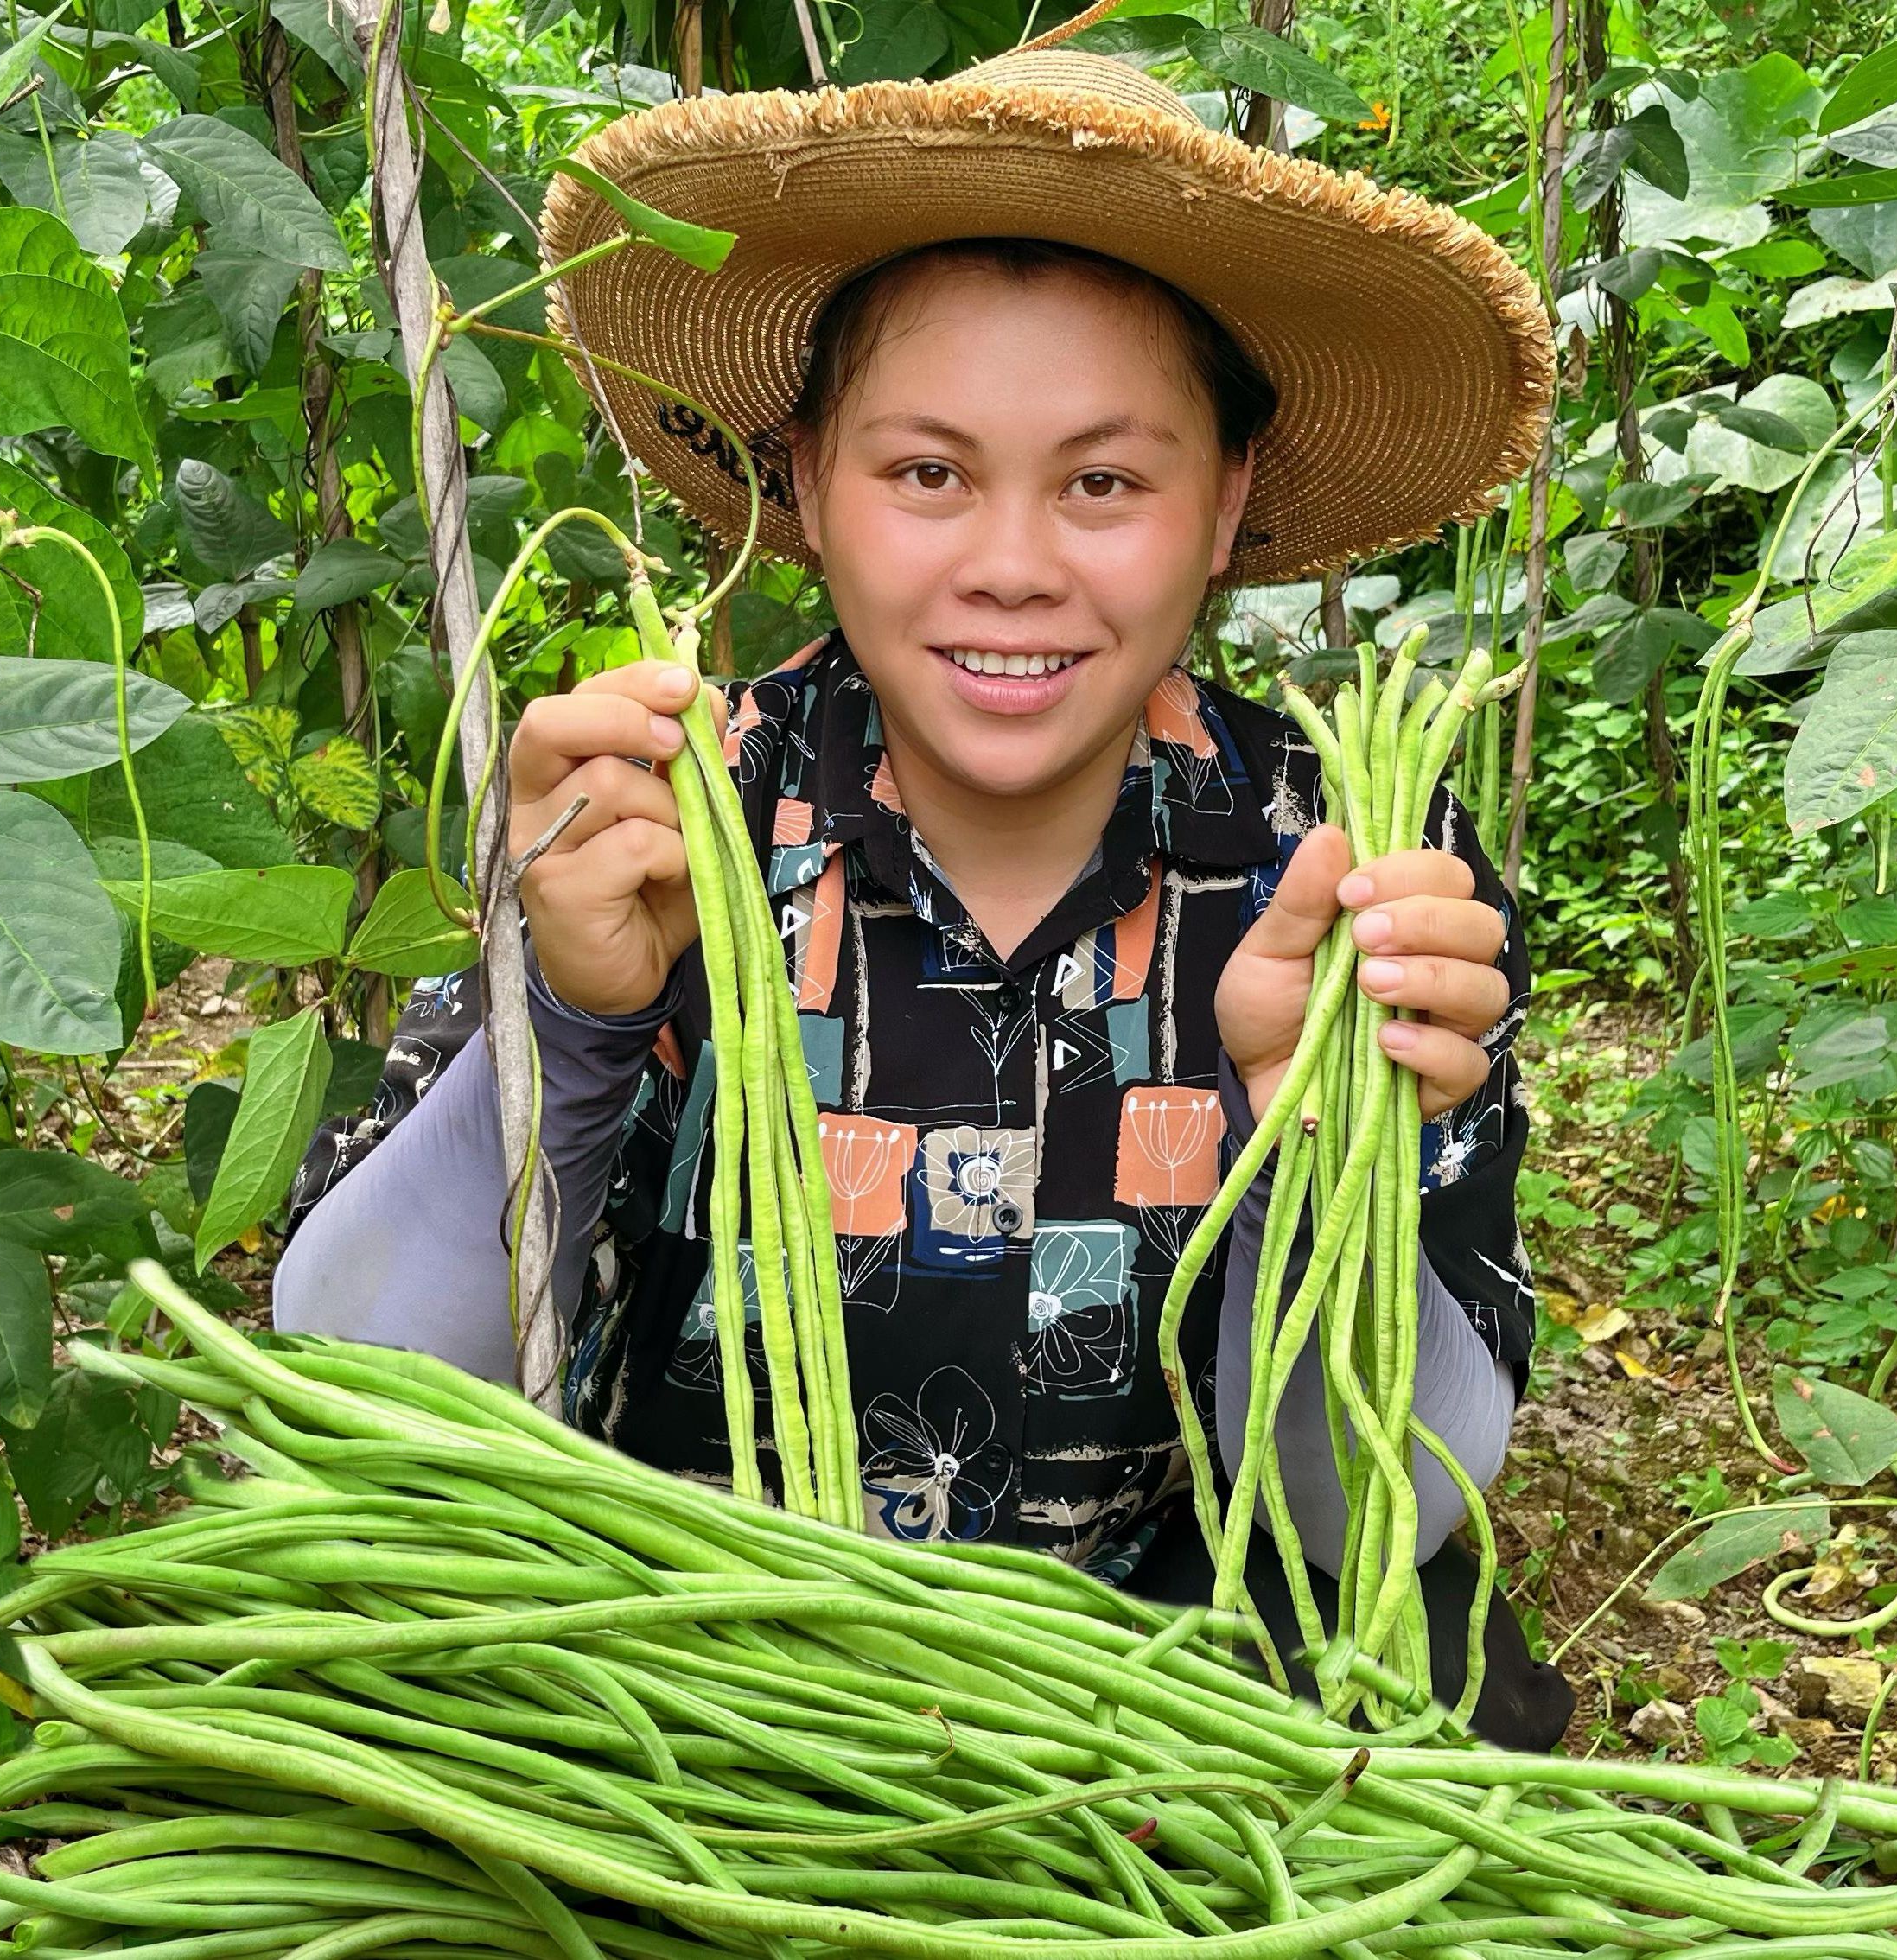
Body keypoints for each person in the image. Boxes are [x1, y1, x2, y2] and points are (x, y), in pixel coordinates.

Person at [275, 42, 1570, 1745]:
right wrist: (571, 1021)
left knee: (1445, 1704)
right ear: (803, 481)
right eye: (926, 474)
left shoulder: (1346, 867)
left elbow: (1366, 1526)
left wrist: (1306, 1151)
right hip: (669, 1701)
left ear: (1222, 504)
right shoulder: (675, 817)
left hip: (1159, 1738)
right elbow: (354, 1371)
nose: (1012, 563)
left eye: (1103, 481)